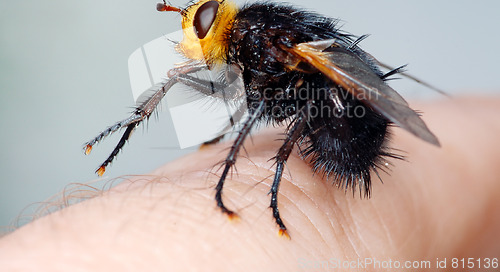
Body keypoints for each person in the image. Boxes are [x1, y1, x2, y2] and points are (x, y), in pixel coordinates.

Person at [0, 97, 499, 271]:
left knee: (285, 101)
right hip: (356, 121)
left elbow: (272, 101)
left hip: (347, 130)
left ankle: (245, 181)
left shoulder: (261, 46)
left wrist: (248, 182)